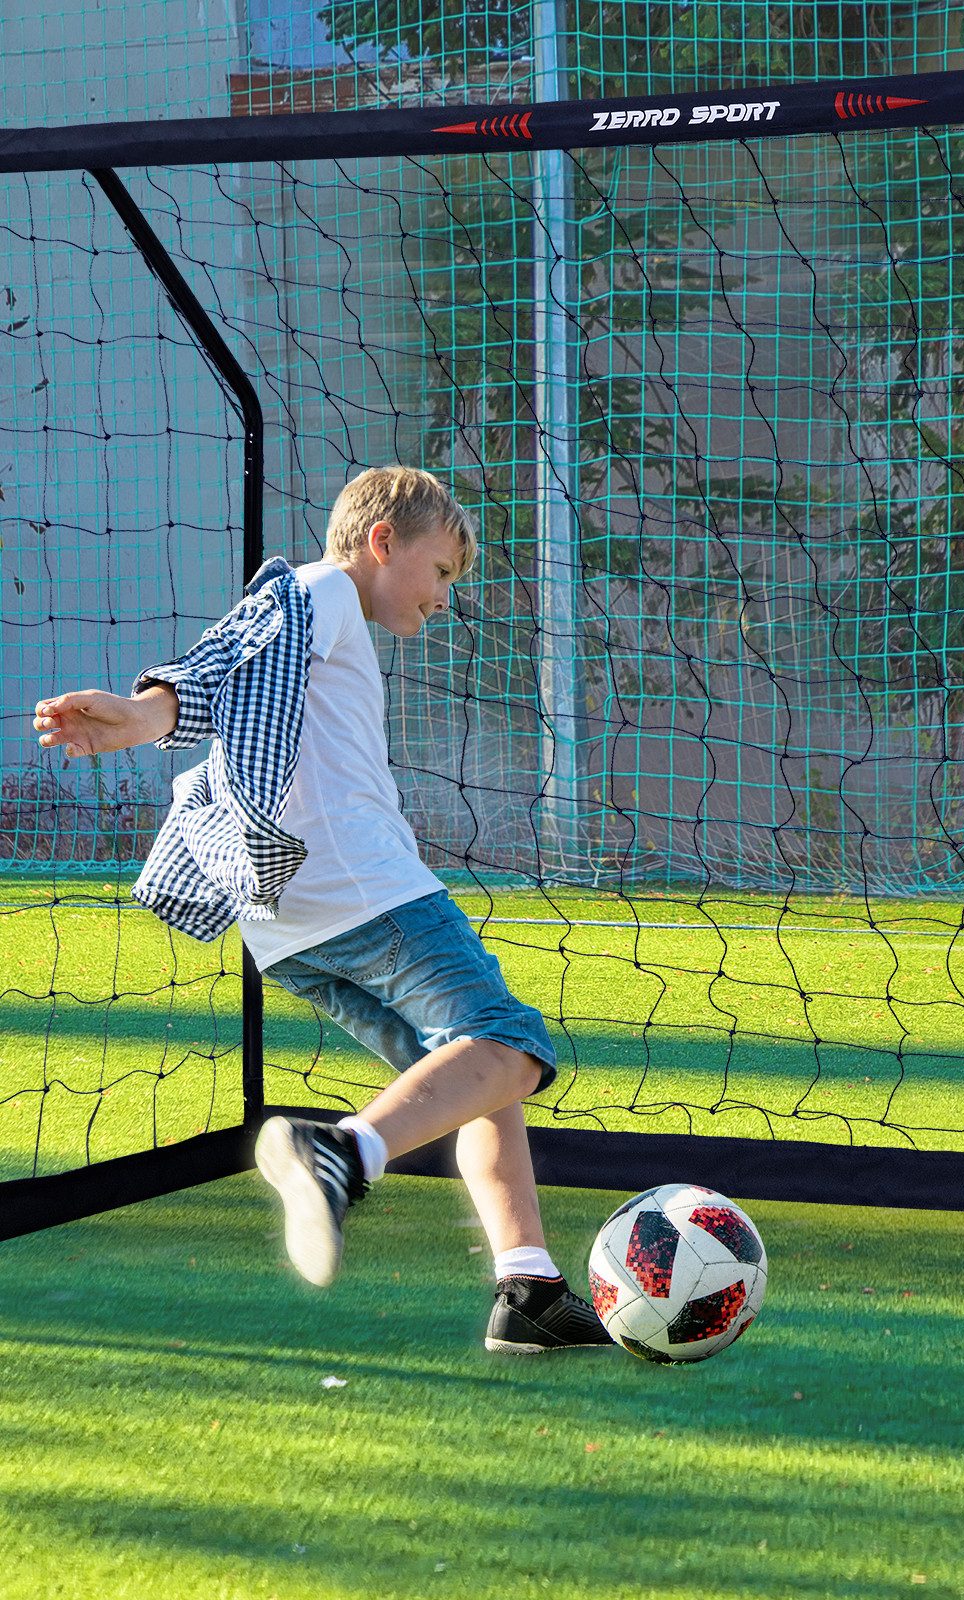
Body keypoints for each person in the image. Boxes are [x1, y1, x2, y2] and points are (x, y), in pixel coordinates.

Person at [32, 465, 611, 1356]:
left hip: (289, 928)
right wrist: (145, 713)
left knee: (469, 1079)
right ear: (384, 542)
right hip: (365, 890)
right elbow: (219, 660)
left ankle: (528, 1288)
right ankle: (341, 1155)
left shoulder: (324, 619)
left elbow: (231, 678)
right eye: (443, 571)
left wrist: (145, 719)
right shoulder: (322, 591)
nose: (445, 598)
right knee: (510, 1043)